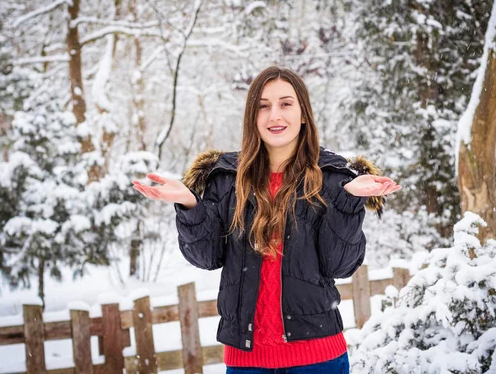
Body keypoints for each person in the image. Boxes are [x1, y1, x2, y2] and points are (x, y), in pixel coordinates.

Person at [133, 66, 401, 373]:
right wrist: (189, 204)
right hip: (246, 364)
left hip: (317, 360)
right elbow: (206, 257)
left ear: (303, 114)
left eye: (286, 104)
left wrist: (348, 201)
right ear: (252, 116)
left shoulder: (332, 178)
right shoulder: (226, 178)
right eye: (264, 106)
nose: (275, 115)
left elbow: (339, 265)